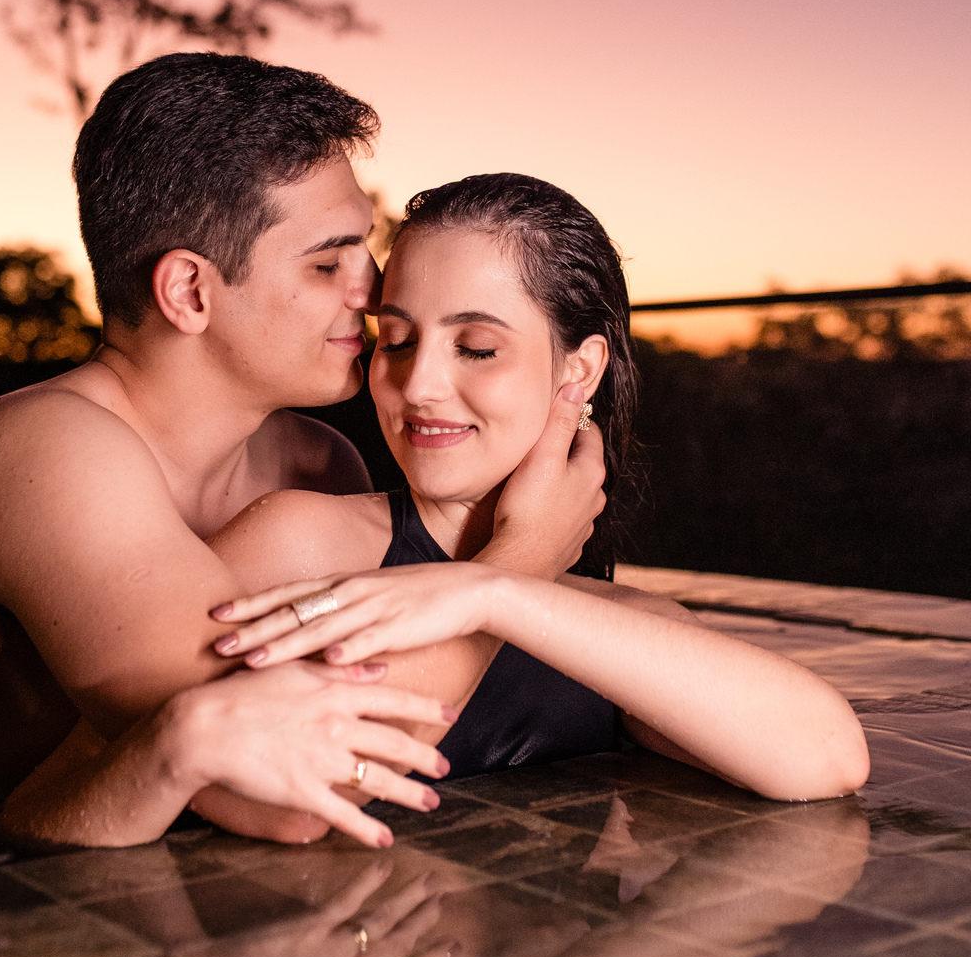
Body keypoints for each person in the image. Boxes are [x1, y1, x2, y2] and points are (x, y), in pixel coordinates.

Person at [0, 60, 605, 847]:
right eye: (327, 263)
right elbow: (295, 790)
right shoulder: (42, 450)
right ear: (190, 292)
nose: (373, 292)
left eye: (364, 251)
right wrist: (524, 559)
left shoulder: (317, 462)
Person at [209, 174, 870, 803]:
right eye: (399, 340)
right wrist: (514, 564)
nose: (418, 386)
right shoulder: (300, 542)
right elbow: (292, 783)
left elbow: (827, 759)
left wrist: (494, 592)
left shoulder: (595, 623)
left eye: (476, 347)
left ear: (579, 371)